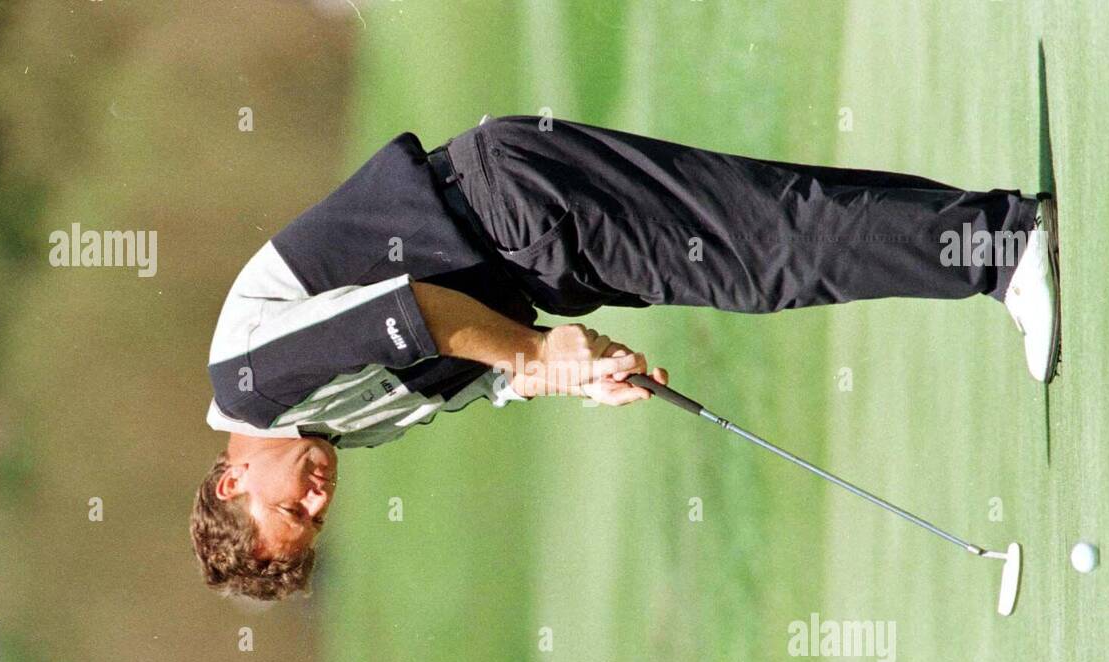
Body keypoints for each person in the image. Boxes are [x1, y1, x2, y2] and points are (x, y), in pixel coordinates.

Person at [190, 115, 1060, 600]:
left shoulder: (253, 380)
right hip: (528, 248)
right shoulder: (320, 428)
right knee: (761, 245)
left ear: (234, 481)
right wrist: (573, 372)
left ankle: (1002, 247)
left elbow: (409, 312)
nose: (317, 495)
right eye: (316, 517)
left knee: (762, 251)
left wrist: (537, 348)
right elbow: (470, 372)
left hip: (509, 202)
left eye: (292, 505)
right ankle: (990, 233)